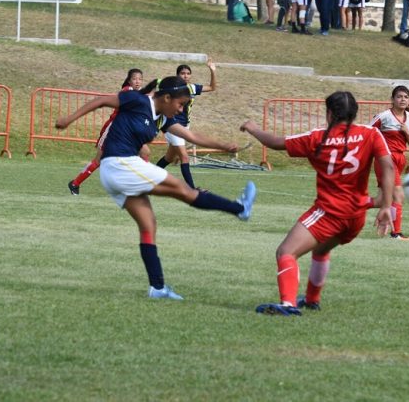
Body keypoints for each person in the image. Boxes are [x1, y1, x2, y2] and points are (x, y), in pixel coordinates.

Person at [54, 76, 257, 300]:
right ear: (166, 97)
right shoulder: (138, 101)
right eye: (180, 104)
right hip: (121, 165)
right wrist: (69, 119)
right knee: (185, 192)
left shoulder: (161, 119)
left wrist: (224, 145)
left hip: (115, 172)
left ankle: (157, 288)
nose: (181, 109)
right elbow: (102, 100)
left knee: (148, 226)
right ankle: (239, 208)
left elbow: (191, 135)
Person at [241, 91, 394, 316]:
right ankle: (312, 299)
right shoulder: (371, 134)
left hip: (329, 213)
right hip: (356, 217)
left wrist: (252, 127)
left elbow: (276, 143)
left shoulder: (318, 138)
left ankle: (288, 304)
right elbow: (388, 167)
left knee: (286, 252)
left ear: (330, 113)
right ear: (354, 113)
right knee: (321, 249)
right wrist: (385, 207)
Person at [68, 68, 146, 195]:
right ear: (129, 81)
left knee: (138, 155)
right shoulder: (127, 91)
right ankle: (75, 183)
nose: (137, 81)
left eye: (140, 79)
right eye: (134, 79)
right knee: (98, 161)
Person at [155, 60, 217, 188]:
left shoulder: (191, 88)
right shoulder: (170, 88)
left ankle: (147, 179)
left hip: (184, 126)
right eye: (182, 73)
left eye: (188, 73)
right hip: (172, 126)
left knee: (169, 158)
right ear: (177, 75)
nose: (186, 75)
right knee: (184, 157)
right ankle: (192, 190)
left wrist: (212, 70)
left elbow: (212, 87)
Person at [368, 85, 409, 240]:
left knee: (383, 200)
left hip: (400, 158)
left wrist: (406, 132)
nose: (402, 99)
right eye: (399, 96)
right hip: (385, 159)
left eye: (406, 97)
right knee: (398, 195)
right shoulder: (383, 116)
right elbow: (367, 133)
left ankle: (349, 204)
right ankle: (396, 233)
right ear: (392, 99)